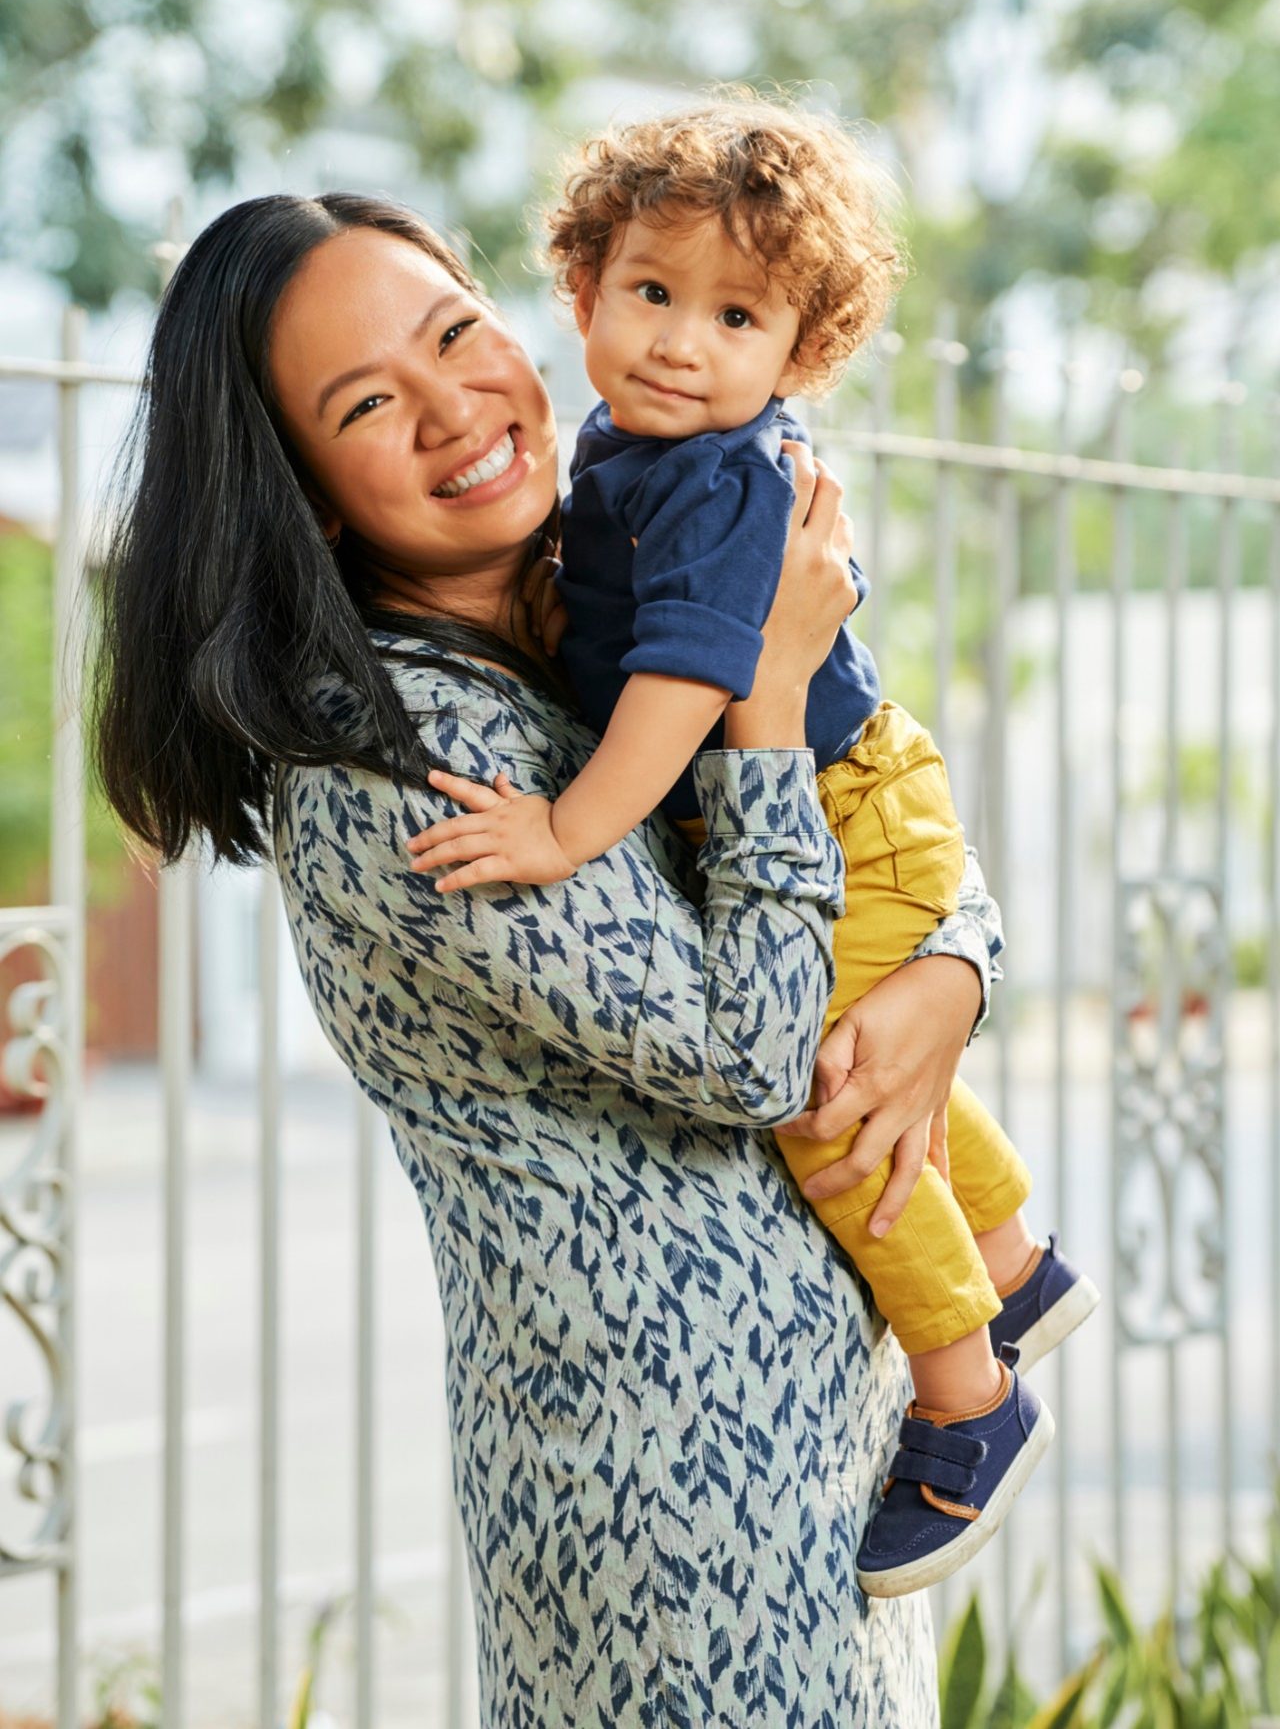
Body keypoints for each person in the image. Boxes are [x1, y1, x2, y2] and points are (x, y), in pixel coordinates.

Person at [95, 191, 1005, 1723]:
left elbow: (885, 819)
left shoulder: (603, 619)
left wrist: (954, 969)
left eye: (457, 334)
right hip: (671, 1491)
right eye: (372, 403)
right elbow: (749, 1049)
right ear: (307, 494)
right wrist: (768, 693)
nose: (459, 409)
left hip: (810, 1458)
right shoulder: (404, 762)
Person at [413, 98, 1099, 1598]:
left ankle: (968, 1394)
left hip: (853, 811)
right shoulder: (623, 442)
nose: (680, 341)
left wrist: (563, 824)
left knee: (823, 1087)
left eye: (737, 317)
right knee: (867, 1048)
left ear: (798, 358)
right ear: (581, 288)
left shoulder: (726, 479)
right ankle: (1012, 1259)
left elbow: (684, 691)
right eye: (653, 292)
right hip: (845, 797)